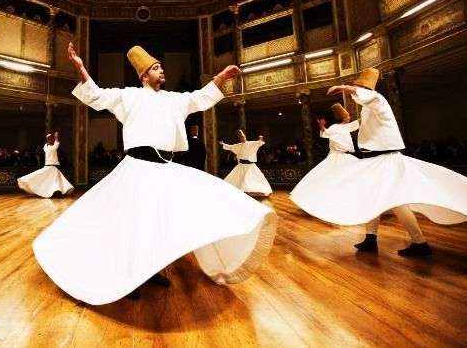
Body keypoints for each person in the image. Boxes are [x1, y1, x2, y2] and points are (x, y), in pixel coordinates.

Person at [32, 43, 277, 304]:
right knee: (134, 222)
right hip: (137, 168)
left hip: (164, 169)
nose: (162, 71)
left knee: (158, 221)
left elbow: (200, 97)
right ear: (144, 75)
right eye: (156, 68)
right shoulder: (129, 96)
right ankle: (128, 277)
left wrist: (222, 77)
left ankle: (149, 271)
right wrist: (80, 67)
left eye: (161, 67)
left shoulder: (174, 100)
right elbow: (96, 95)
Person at [295, 68, 467, 256]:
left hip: (386, 159)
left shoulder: (378, 100)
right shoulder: (367, 110)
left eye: (358, 89)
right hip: (377, 160)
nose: (354, 94)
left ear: (364, 89)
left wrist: (348, 88)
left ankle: (419, 243)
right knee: (374, 197)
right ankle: (371, 239)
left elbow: (372, 97)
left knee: (397, 202)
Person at [290, 103, 360, 214]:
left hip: (346, 156)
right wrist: (322, 127)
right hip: (336, 157)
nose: (349, 117)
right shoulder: (335, 128)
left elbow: (357, 124)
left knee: (352, 178)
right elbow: (325, 134)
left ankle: (350, 201)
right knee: (332, 179)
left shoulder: (346, 127)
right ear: (343, 118)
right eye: (348, 116)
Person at [17, 131, 74, 198]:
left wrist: (56, 136)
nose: (49, 140)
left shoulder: (53, 147)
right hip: (48, 167)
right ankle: (27, 181)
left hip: (53, 167)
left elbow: (56, 141)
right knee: (39, 176)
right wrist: (51, 137)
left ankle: (55, 191)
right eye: (48, 139)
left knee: (56, 180)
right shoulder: (46, 147)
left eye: (50, 139)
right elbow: (50, 141)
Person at [220, 130, 272, 196]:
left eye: (243, 136)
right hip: (242, 165)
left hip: (250, 165)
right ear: (239, 139)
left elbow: (259, 143)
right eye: (241, 137)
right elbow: (231, 146)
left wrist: (260, 138)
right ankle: (242, 190)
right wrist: (223, 144)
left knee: (252, 178)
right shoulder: (238, 145)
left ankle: (254, 190)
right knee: (239, 178)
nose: (242, 138)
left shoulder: (251, 143)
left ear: (245, 136)